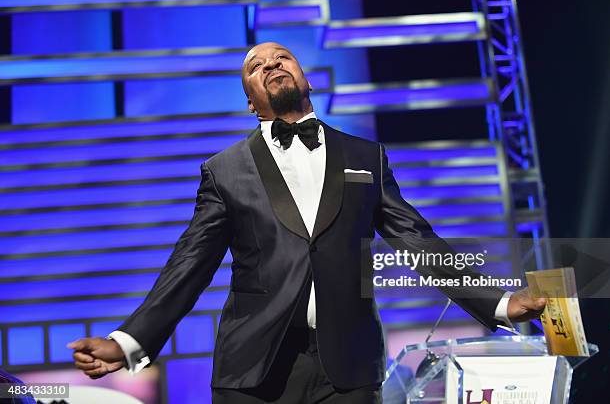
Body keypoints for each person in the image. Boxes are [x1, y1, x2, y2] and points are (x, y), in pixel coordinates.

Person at [68, 42, 545, 403]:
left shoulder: (366, 156)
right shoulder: (225, 170)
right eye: (256, 67)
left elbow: (417, 239)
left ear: (307, 78)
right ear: (252, 102)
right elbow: (189, 265)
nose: (271, 65)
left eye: (282, 58)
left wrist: (499, 303)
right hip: (253, 370)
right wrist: (129, 342)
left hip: (349, 368)